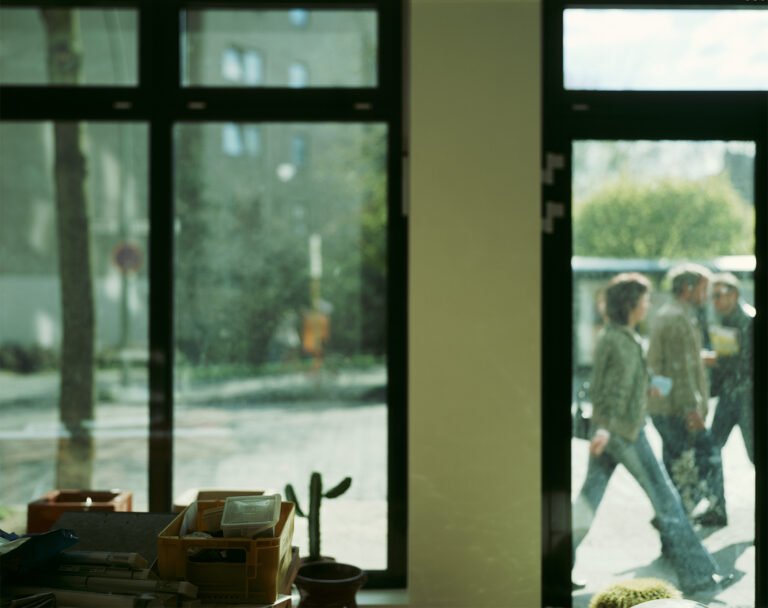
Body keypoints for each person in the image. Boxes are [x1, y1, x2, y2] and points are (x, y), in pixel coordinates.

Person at [572, 273, 732, 595]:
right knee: (667, 501)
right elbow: (607, 391)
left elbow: (623, 386)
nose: (647, 304)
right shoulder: (616, 339)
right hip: (625, 433)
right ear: (630, 303)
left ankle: (551, 566)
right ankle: (699, 575)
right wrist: (603, 428)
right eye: (643, 299)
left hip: (618, 430)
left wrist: (647, 390)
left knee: (587, 503)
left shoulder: (622, 336)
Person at [646, 264, 727, 527]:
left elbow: (668, 364)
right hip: (677, 409)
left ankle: (672, 517)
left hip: (667, 406)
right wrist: (691, 409)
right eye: (703, 289)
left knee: (677, 462)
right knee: (690, 462)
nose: (706, 295)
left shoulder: (673, 314)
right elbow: (677, 371)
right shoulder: (677, 318)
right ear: (687, 289)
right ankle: (676, 520)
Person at [709, 272, 755, 464]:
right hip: (729, 394)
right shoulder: (725, 320)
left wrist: (716, 361)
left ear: (734, 295)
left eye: (719, 295)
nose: (715, 301)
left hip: (747, 398)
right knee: (712, 448)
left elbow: (746, 363)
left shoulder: (749, 320)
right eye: (713, 296)